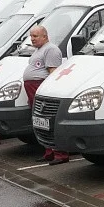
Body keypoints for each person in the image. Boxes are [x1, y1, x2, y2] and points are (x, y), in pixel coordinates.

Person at [24, 25, 66, 164]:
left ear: (45, 36)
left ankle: (60, 153)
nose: (32, 39)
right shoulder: (39, 50)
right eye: (31, 36)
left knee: (49, 120)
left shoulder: (51, 49)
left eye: (35, 36)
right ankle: (49, 152)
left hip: (41, 89)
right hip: (33, 89)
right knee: (40, 121)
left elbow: (53, 74)